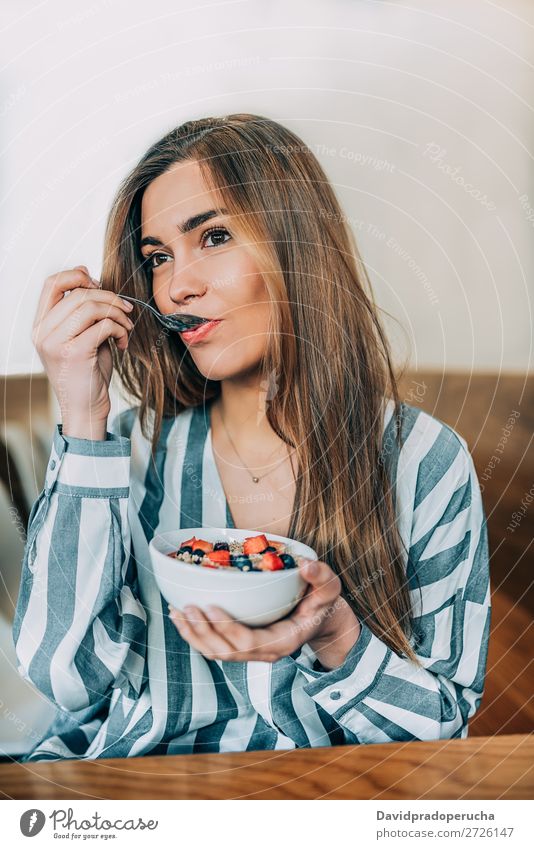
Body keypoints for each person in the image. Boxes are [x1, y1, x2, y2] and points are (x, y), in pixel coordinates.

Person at [13, 114, 490, 761]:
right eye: (157, 257)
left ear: (297, 245)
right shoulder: (123, 451)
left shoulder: (423, 459)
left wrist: (336, 635)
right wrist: (82, 409)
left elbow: (445, 729)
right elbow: (65, 677)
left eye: (213, 236)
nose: (177, 283)